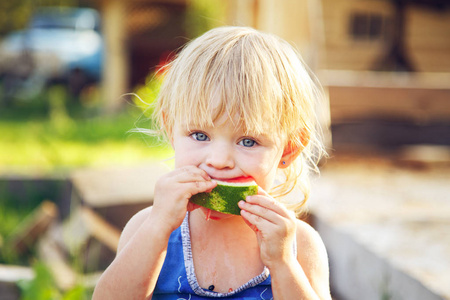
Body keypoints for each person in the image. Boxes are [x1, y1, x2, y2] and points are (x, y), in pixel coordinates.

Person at [93, 26, 331, 299]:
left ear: (289, 148)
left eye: (248, 141)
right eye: (200, 135)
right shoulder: (146, 228)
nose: (219, 161)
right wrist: (157, 228)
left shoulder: (299, 244)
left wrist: (283, 264)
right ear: (172, 130)